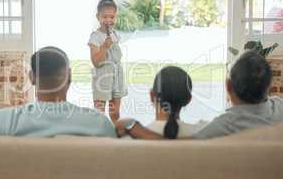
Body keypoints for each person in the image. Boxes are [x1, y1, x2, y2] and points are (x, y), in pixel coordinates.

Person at [116, 51, 283, 139]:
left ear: (228, 86)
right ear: (269, 87)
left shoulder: (220, 129)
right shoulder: (279, 110)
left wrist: (134, 127)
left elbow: (172, 148)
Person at [88, 0, 127, 122]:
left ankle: (115, 134)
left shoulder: (115, 34)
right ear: (98, 17)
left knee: (115, 112)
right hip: (102, 77)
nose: (108, 20)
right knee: (99, 113)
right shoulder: (95, 37)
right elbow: (96, 62)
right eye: (105, 17)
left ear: (116, 17)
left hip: (117, 77)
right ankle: (99, 136)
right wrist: (104, 46)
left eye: (112, 17)